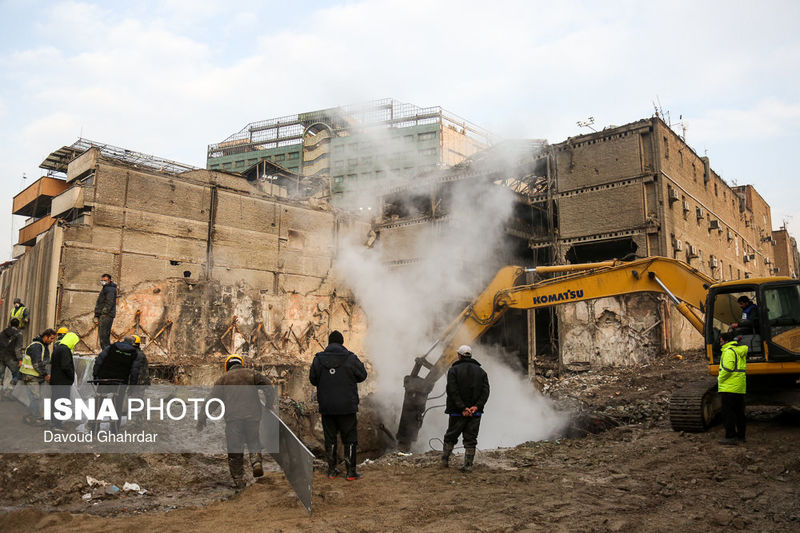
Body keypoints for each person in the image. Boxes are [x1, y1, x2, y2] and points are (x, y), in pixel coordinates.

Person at [198, 354, 272, 489]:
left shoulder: (223, 380)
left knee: (234, 449)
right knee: (253, 440)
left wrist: (202, 418)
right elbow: (268, 385)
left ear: (227, 366)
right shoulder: (252, 374)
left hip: (233, 420)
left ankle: (239, 480)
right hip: (252, 417)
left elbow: (212, 401)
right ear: (241, 363)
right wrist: (269, 404)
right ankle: (256, 462)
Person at [309, 330, 368, 481]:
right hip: (347, 407)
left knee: (330, 438)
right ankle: (350, 472)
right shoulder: (351, 358)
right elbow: (363, 375)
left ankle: (331, 471)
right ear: (342, 343)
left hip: (327, 407)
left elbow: (313, 379)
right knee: (349, 438)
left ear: (329, 343)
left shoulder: (318, 359)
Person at [440, 345, 490, 472]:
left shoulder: (453, 371)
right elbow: (485, 392)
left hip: (457, 413)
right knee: (471, 439)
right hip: (475, 413)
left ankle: (444, 462)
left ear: (459, 356)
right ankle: (468, 465)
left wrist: (462, 408)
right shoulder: (482, 372)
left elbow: (452, 391)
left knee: (451, 436)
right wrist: (475, 407)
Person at [18, 328, 57, 422]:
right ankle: (33, 417)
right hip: (31, 376)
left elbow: (44, 361)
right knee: (35, 397)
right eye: (51, 338)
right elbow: (37, 364)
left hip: (34, 376)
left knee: (35, 397)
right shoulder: (37, 346)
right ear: (45, 336)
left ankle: (34, 416)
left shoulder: (42, 346)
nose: (52, 341)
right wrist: (45, 375)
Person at [718, 330, 748, 445]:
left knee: (728, 413)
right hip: (739, 387)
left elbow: (728, 368)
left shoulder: (728, 351)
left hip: (729, 387)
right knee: (739, 413)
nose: (720, 343)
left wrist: (720, 379)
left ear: (726, 341)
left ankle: (730, 436)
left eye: (721, 341)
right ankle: (741, 436)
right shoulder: (739, 350)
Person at [49, 332, 79, 430]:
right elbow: (66, 366)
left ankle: (55, 423)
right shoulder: (65, 350)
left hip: (56, 381)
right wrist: (71, 376)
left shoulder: (57, 348)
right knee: (61, 403)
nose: (74, 345)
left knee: (55, 402)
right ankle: (57, 425)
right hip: (62, 382)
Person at [0, 318, 24, 397]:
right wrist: (20, 359)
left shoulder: (3, 332)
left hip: (1, 356)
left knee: (1, 376)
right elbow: (17, 349)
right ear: (18, 325)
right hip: (11, 357)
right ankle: (9, 390)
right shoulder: (19, 334)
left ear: (10, 324)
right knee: (17, 374)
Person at [94, 273, 117, 349]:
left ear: (109, 280)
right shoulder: (106, 288)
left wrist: (104, 313)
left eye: (105, 280)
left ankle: (106, 354)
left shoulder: (110, 289)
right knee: (103, 337)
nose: (103, 282)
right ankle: (106, 353)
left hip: (106, 315)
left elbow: (109, 303)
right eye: (102, 280)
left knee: (104, 337)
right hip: (104, 315)